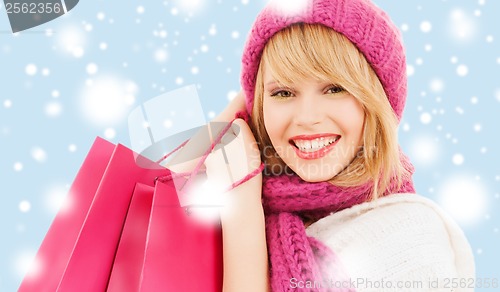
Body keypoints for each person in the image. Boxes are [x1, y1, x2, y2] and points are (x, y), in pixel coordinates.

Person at [200, 0, 475, 291]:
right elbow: (162, 181)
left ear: (377, 100)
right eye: (283, 92)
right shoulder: (257, 206)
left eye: (334, 89)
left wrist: (242, 205)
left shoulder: (409, 238)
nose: (307, 118)